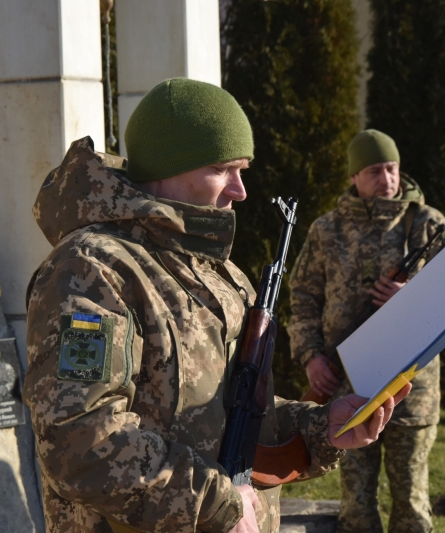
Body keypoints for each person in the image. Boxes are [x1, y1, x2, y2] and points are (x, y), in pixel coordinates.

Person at [23, 79, 410, 533]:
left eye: (242, 170)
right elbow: (80, 442)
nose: (240, 190)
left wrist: (321, 427)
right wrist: (217, 504)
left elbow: (239, 418)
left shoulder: (218, 273)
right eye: (224, 170)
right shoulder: (91, 270)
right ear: (171, 165)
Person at [288, 129, 445, 533]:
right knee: (356, 509)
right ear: (354, 177)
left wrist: (411, 297)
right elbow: (302, 296)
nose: (387, 178)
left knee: (411, 505)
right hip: (347, 387)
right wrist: (310, 357)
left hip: (412, 387)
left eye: (392, 168)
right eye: (375, 170)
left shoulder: (428, 226)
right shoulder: (327, 230)